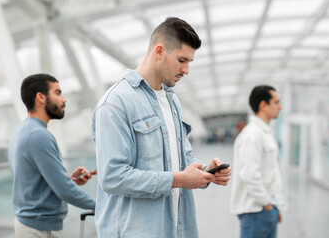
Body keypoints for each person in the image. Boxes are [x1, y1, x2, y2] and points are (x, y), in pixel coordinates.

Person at [91, 17, 231, 238]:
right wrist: (178, 179)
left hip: (174, 229)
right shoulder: (116, 103)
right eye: (182, 60)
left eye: (190, 62)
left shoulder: (172, 101)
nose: (186, 70)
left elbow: (182, 159)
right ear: (159, 51)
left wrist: (205, 173)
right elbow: (112, 177)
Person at [8, 74, 96, 238]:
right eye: (57, 93)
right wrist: (101, 206)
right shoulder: (39, 136)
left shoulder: (23, 130)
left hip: (32, 225)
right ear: (41, 97)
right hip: (40, 230)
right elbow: (65, 191)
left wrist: (68, 180)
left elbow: (33, 183)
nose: (64, 100)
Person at [229, 85, 288, 238]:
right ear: (263, 105)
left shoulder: (264, 132)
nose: (280, 107)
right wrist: (267, 204)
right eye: (276, 102)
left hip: (266, 209)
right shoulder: (252, 135)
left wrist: (275, 207)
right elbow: (249, 174)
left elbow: (272, 173)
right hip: (256, 211)